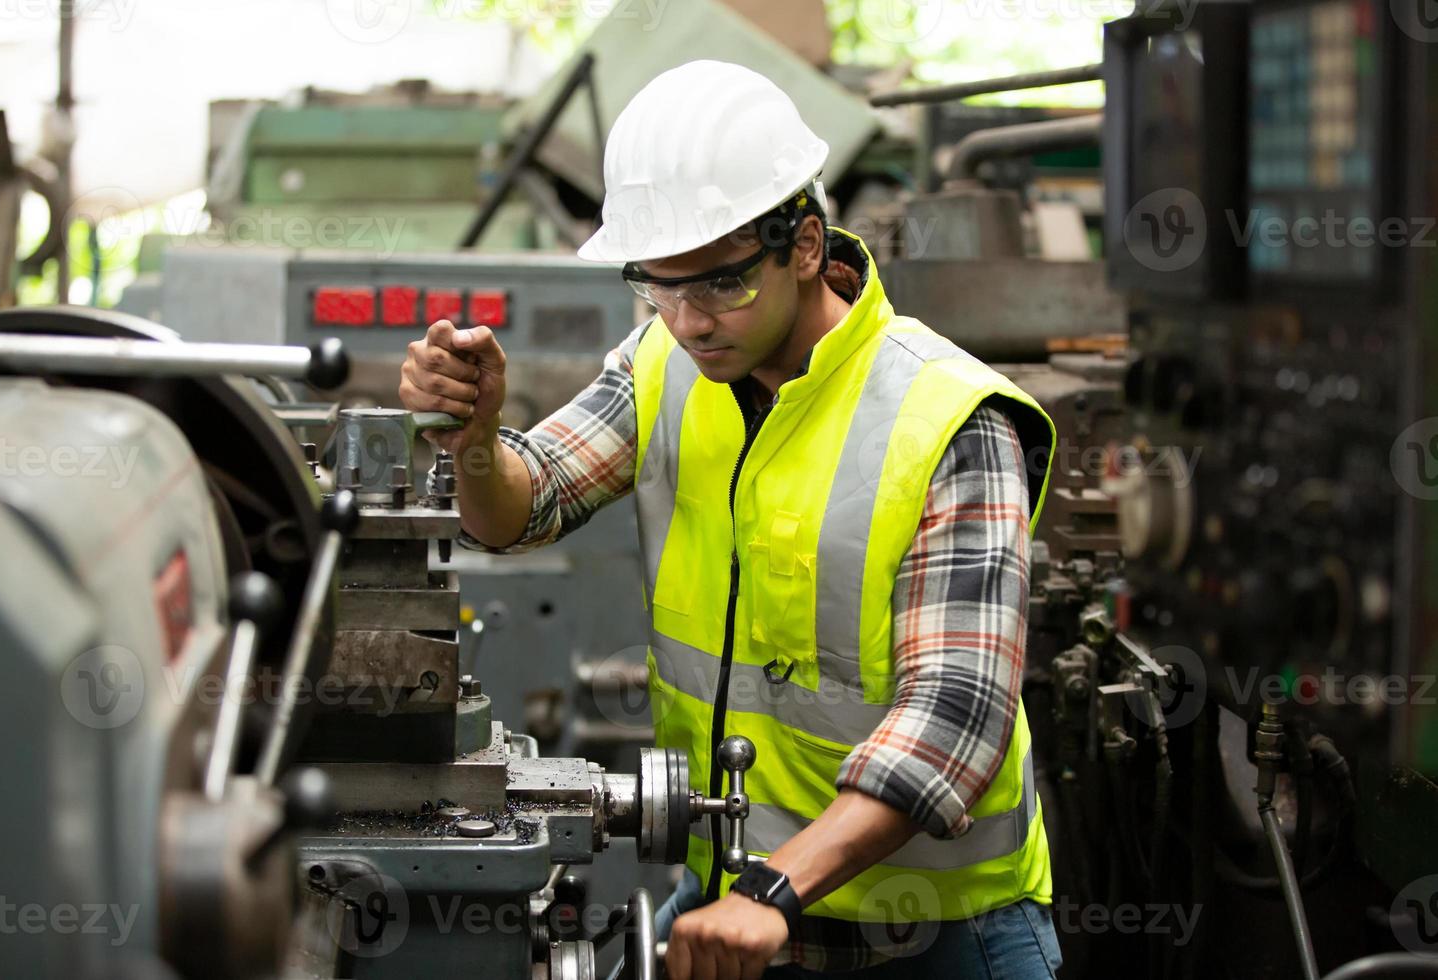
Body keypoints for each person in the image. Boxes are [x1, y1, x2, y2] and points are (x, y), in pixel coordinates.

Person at [399, 60, 1062, 980]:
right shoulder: (663, 368)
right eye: (658, 289)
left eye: (719, 285)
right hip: (738, 909)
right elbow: (527, 503)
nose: (690, 322)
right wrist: (474, 438)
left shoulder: (947, 420)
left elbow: (954, 722)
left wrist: (775, 892)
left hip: (934, 935)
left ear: (805, 243)